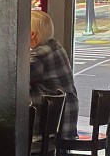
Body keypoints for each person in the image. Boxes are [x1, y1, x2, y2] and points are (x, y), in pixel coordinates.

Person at [29, 9, 79, 138]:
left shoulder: (39, 56)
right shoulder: (55, 46)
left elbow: (13, 81)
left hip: (54, 129)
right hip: (66, 121)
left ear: (32, 34)